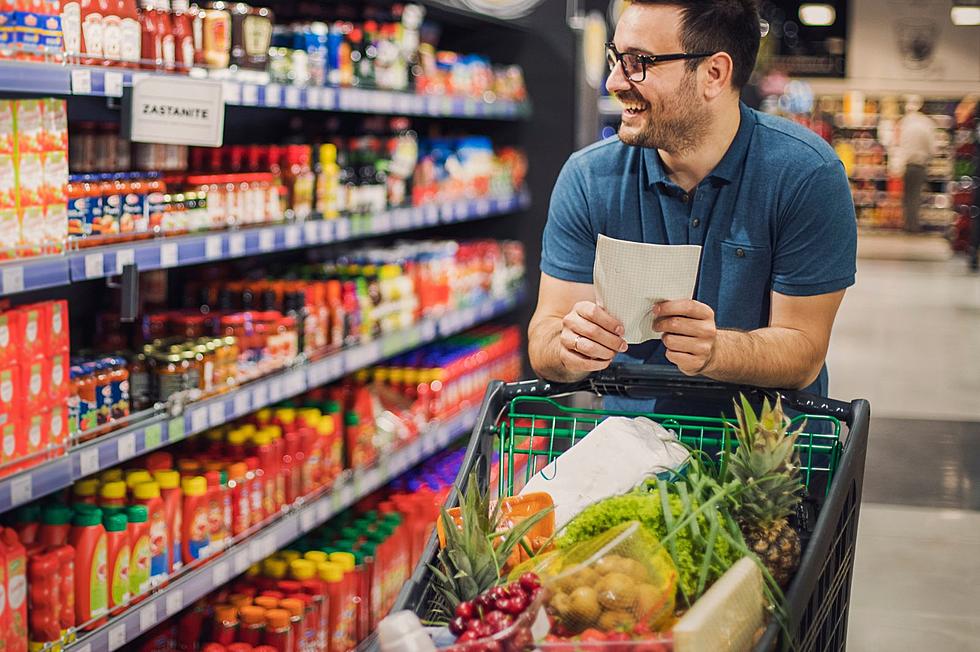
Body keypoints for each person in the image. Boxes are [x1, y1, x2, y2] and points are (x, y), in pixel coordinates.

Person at [527, 0, 857, 411]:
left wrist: (716, 350)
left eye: (638, 62)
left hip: (767, 455)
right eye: (616, 58)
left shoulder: (805, 175)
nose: (613, 81)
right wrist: (569, 347)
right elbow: (544, 338)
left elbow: (804, 350)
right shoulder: (589, 177)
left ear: (713, 74)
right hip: (629, 455)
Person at [897, 96, 937, 234]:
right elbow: (932, 148)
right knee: (916, 196)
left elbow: (899, 145)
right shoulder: (926, 123)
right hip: (920, 165)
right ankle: (913, 226)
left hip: (908, 165)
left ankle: (908, 224)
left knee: (908, 197)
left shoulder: (905, 122)